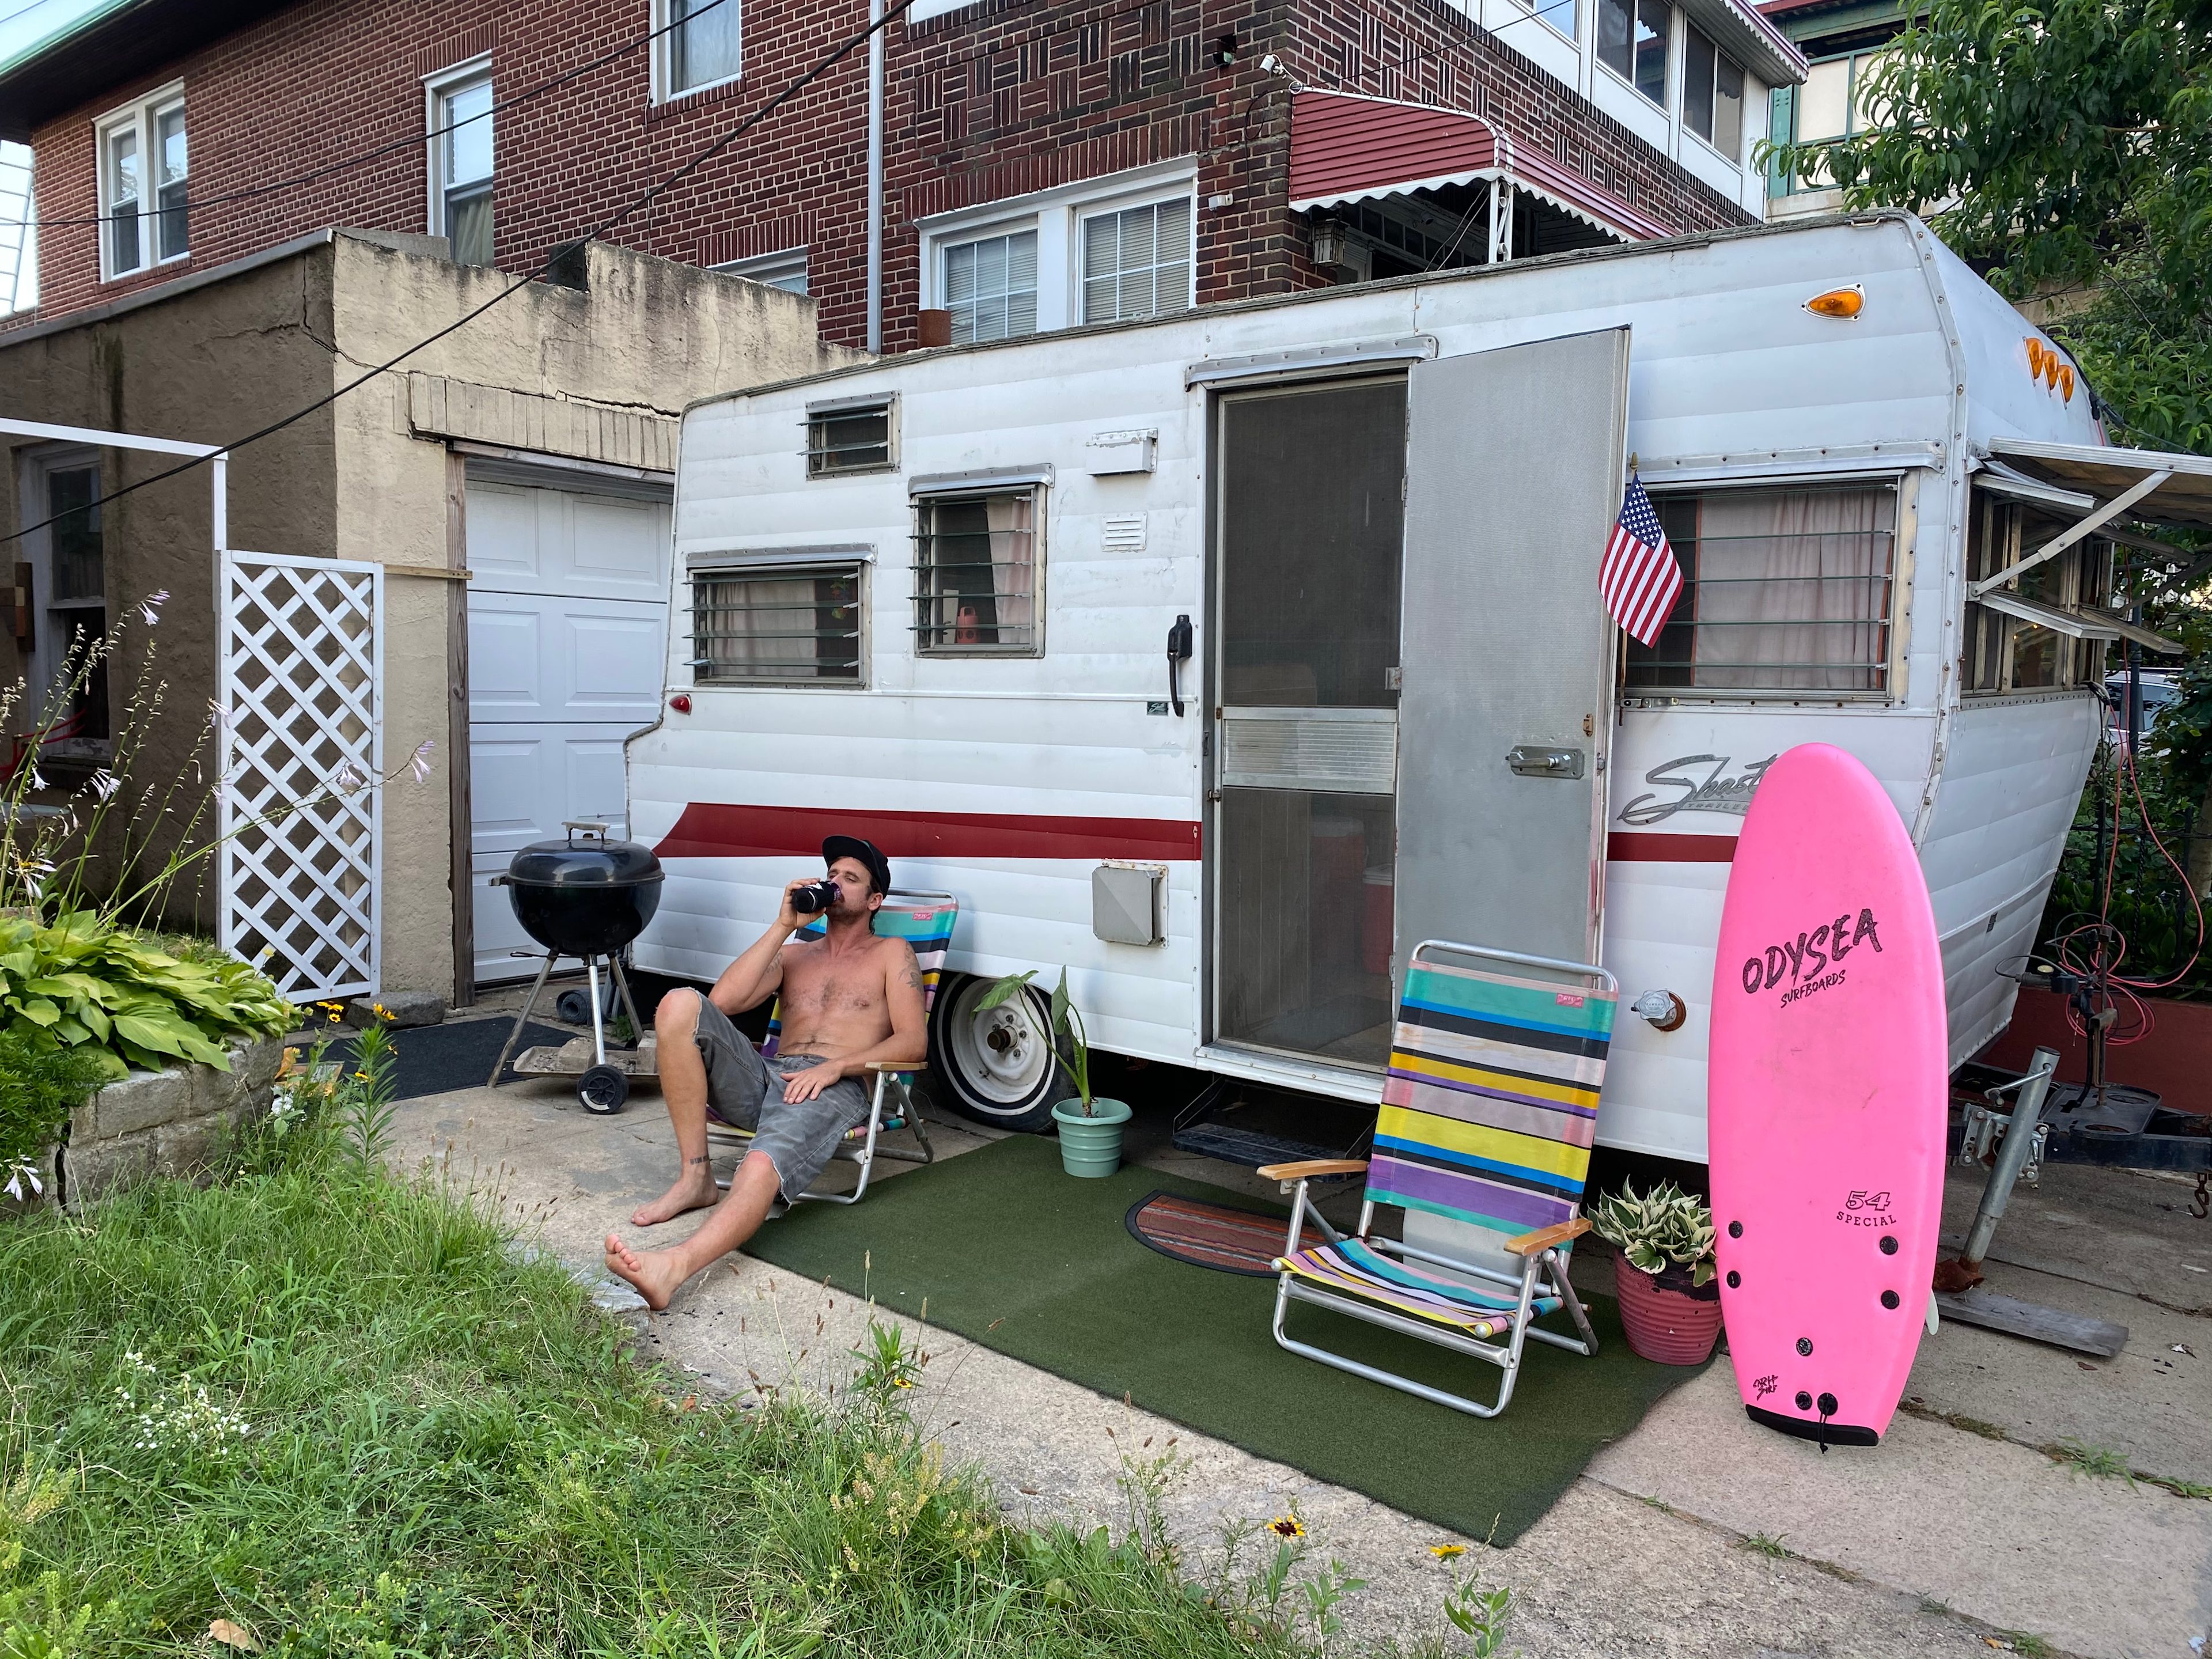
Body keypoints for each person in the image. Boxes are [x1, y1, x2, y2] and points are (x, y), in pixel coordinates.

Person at [603, 835, 925, 1309]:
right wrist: (782, 926)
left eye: (850, 879)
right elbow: (723, 1004)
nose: (835, 883)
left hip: (835, 1086)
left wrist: (835, 1068)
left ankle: (674, 1267)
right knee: (678, 1005)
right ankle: (696, 1177)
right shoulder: (796, 954)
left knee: (759, 1162)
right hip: (770, 1075)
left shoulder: (891, 952)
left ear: (875, 900)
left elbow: (913, 1042)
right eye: (831, 875)